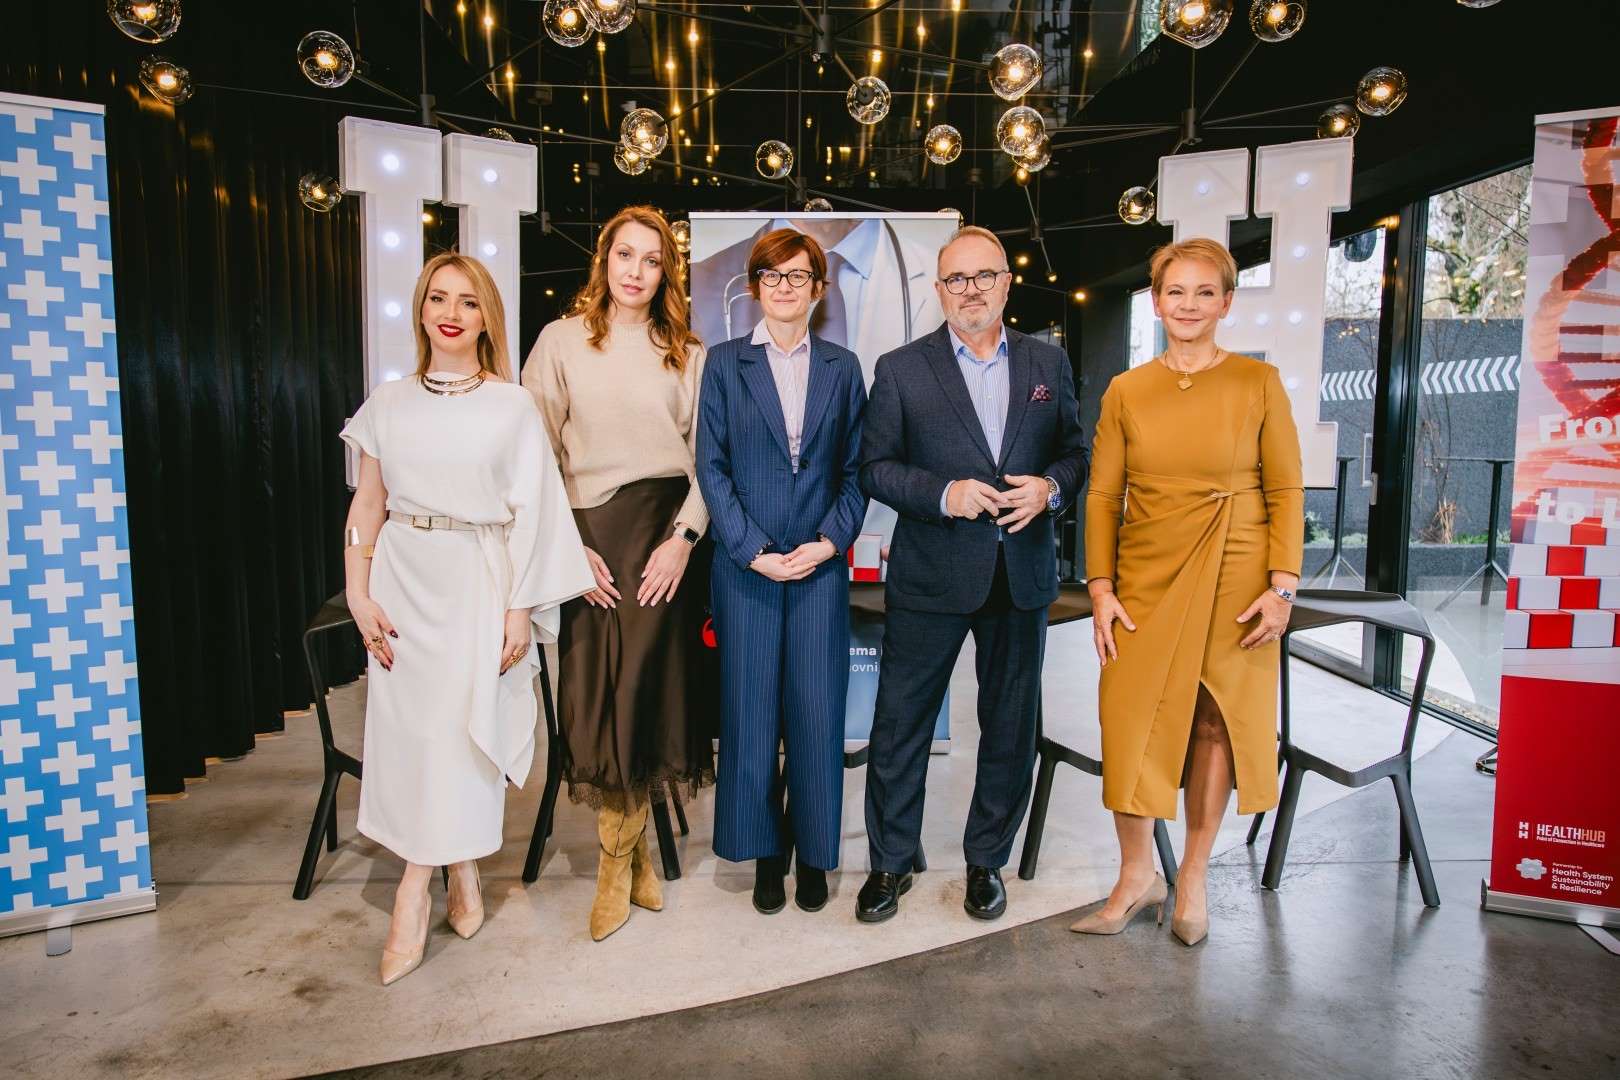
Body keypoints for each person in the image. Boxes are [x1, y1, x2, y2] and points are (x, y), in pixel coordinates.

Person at [341, 252, 594, 985]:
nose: (451, 313)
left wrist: (520, 609)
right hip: (401, 579)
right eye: (438, 298)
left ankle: (412, 890)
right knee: (413, 738)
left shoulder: (511, 406)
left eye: (468, 301)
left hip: (477, 583)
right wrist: (357, 591)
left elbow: (535, 516)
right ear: (421, 310)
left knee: (460, 736)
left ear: (488, 317)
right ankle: (460, 868)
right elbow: (367, 504)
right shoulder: (388, 402)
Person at [1073, 237, 1303, 947]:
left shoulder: (1257, 383)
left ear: (1226, 302)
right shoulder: (1126, 390)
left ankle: (1194, 876)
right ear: (1156, 301)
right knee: (1129, 716)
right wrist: (1101, 587)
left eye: (1206, 292)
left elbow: (1286, 487)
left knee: (1215, 719)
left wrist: (1283, 586)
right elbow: (1103, 496)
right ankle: (1136, 874)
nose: (1190, 305)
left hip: (1238, 564)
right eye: (1177, 291)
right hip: (1144, 571)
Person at [856, 225, 1089, 923]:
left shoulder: (1048, 362)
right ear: (939, 290)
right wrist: (943, 494)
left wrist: (1050, 488)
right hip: (930, 573)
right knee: (900, 725)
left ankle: (986, 861)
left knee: (1010, 726)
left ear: (1006, 284)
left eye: (984, 276)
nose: (971, 291)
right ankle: (890, 863)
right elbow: (874, 468)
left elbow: (1076, 453)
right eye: (956, 279)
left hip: (1020, 574)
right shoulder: (901, 369)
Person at [522, 205, 712, 942]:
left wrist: (684, 540)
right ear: (604, 259)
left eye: (651, 259)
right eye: (624, 255)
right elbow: (535, 454)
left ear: (667, 272)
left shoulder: (686, 352)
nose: (636, 271)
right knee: (597, 698)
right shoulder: (560, 341)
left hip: (663, 538)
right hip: (590, 539)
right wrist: (568, 546)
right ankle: (630, 861)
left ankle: (613, 864)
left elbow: (710, 460)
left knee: (643, 693)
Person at [696, 228, 869, 916]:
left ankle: (813, 850)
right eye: (773, 276)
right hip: (748, 569)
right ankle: (766, 850)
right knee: (750, 715)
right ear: (755, 287)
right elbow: (711, 468)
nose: (786, 288)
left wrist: (829, 543)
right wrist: (751, 549)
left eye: (799, 276)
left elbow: (857, 471)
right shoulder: (723, 364)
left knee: (817, 716)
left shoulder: (843, 368)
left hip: (820, 568)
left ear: (819, 289)